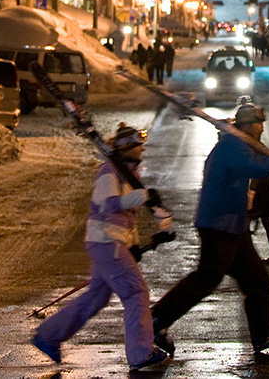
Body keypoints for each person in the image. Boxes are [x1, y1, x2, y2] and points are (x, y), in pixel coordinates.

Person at [150, 102, 269, 356]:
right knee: (206, 279)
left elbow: (256, 166)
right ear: (246, 124)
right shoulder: (231, 147)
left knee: (256, 280)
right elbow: (256, 167)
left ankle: (263, 333)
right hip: (219, 227)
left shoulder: (236, 145)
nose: (261, 128)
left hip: (234, 227)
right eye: (257, 123)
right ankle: (156, 320)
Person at [32, 124, 172, 371]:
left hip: (110, 243)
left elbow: (127, 217)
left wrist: (136, 244)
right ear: (126, 148)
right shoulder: (109, 172)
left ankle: (48, 336)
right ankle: (141, 353)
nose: (142, 150)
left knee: (95, 297)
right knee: (135, 293)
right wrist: (144, 196)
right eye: (138, 146)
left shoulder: (129, 175)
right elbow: (110, 205)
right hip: (107, 243)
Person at [248, 174, 269, 264]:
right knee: (266, 221)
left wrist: (251, 193)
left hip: (260, 193)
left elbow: (257, 175)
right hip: (267, 191)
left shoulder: (258, 160)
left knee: (247, 219)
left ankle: (244, 253)